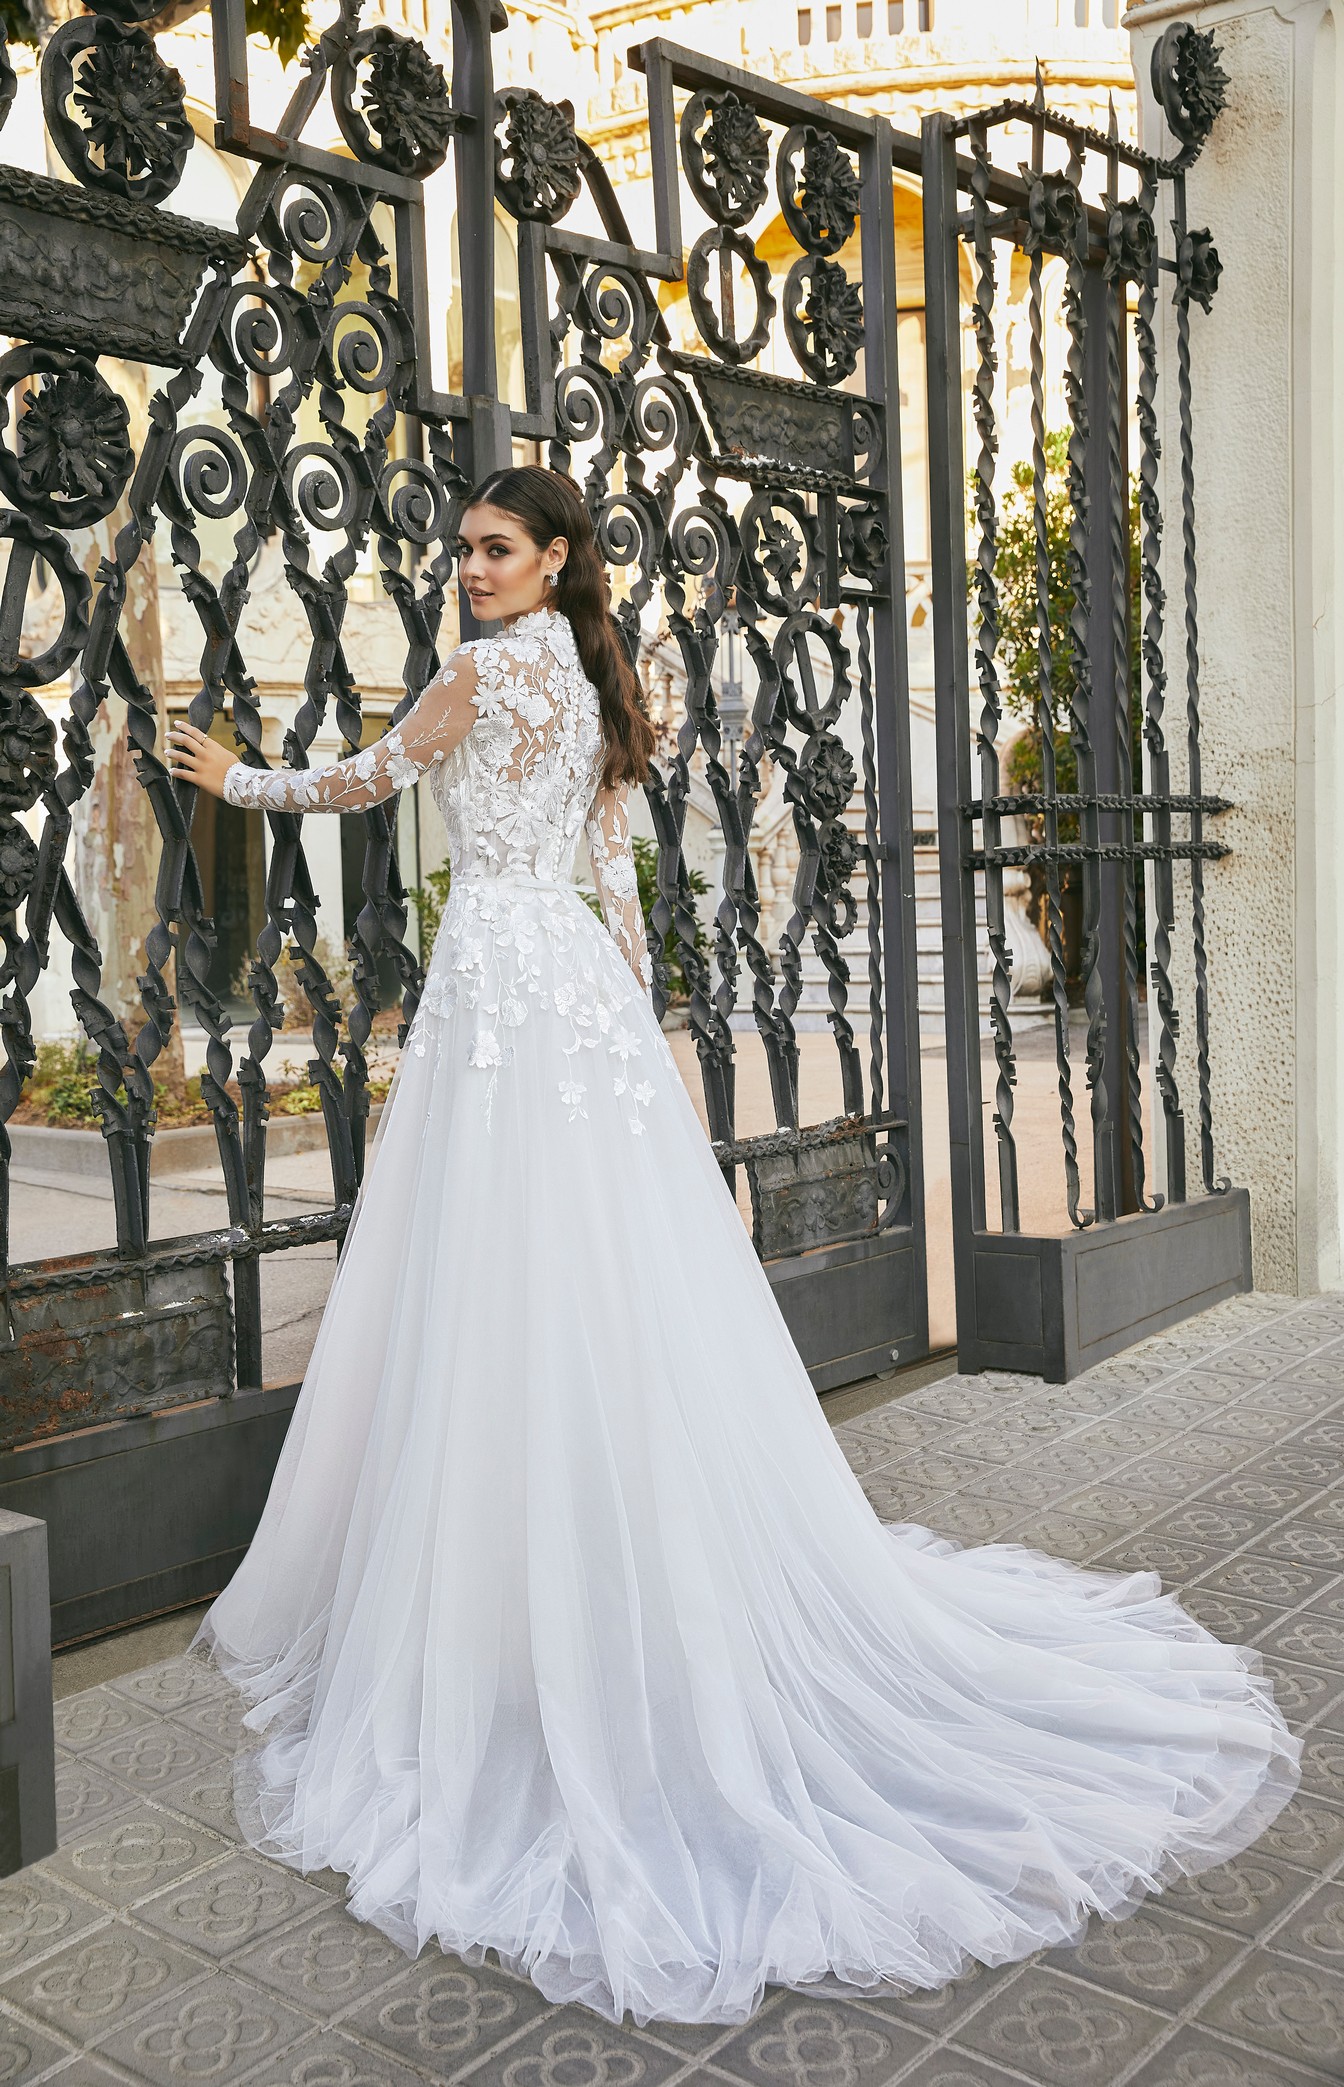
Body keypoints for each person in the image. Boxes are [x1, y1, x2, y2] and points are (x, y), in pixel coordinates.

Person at [167, 465, 1298, 2030]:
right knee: (586, 1289)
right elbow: (617, 873)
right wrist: (631, 1028)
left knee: (491, 1288)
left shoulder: (483, 673)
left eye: (497, 549)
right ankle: (577, 1560)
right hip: (568, 990)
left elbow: (357, 785)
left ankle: (508, 1601)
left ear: (553, 559)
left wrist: (232, 777)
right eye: (466, 552)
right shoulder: (591, 675)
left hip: (506, 993)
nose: (471, 569)